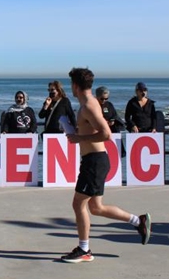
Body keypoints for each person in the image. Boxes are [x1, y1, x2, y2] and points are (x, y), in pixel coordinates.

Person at [61, 67, 151, 264]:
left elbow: (106, 134)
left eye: (71, 85)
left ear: (75, 86)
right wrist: (77, 131)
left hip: (94, 161)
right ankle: (139, 221)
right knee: (96, 207)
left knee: (78, 204)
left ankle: (84, 249)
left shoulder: (89, 106)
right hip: (94, 160)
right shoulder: (88, 104)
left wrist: (78, 137)